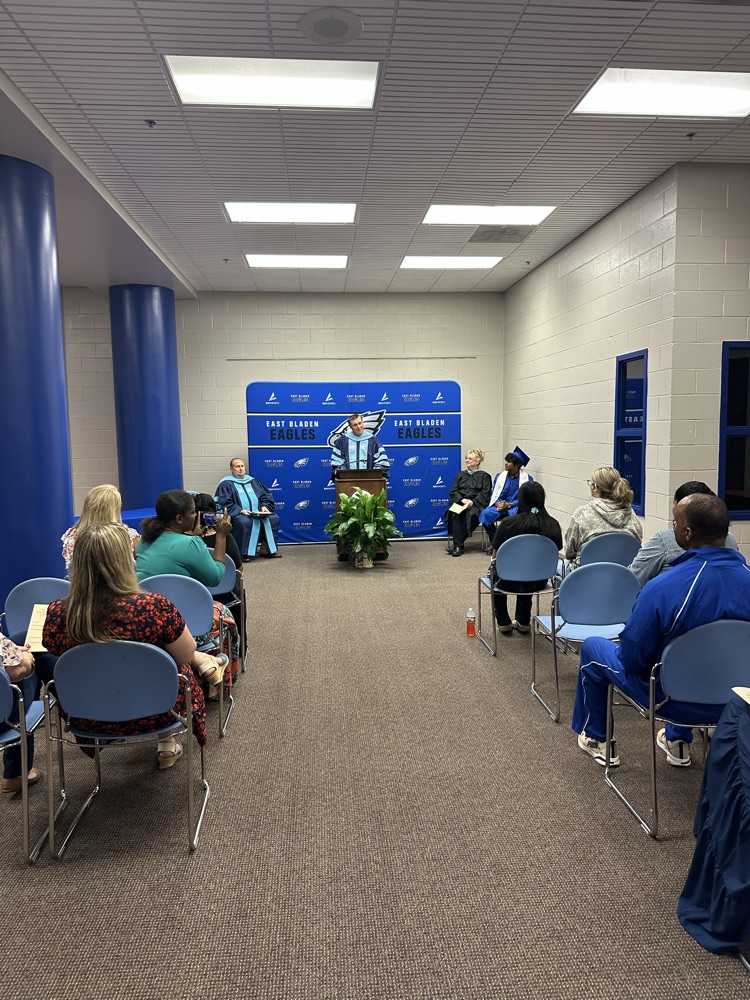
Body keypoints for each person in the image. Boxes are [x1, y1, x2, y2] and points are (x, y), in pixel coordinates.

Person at [572, 494, 750, 769]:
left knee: (595, 647)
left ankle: (597, 738)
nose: (673, 526)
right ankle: (676, 738)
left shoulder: (663, 588)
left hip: (672, 702)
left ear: (688, 534)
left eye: (675, 522)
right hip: (740, 701)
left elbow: (632, 659)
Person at [43, 523, 215, 769]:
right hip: (160, 710)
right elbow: (186, 654)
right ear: (125, 560)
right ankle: (167, 742)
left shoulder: (57, 612)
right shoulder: (154, 606)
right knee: (175, 663)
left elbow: (52, 654)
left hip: (88, 715)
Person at [629, 481, 739, 586]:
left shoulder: (664, 540)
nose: (674, 523)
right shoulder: (730, 541)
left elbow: (633, 577)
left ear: (688, 532)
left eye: (676, 517)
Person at [489, 482, 562, 635]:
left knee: (496, 571)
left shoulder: (508, 524)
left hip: (506, 581)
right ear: (542, 499)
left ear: (520, 499)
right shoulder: (553, 525)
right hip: (539, 581)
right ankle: (523, 621)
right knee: (530, 568)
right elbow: (555, 553)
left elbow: (495, 557)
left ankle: (503, 622)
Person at [135, 489, 231, 585]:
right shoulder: (190, 544)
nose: (195, 516)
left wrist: (195, 539)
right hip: (178, 599)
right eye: (193, 512)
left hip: (147, 598)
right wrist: (221, 536)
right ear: (179, 519)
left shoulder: (143, 540)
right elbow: (215, 578)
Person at [563, 466, 642, 568]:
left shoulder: (582, 513)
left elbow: (569, 552)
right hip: (622, 576)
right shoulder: (631, 515)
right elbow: (636, 545)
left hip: (586, 578)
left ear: (595, 487)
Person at [61, 483, 139, 573]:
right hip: (118, 586)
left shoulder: (71, 536)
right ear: (114, 509)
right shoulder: (127, 535)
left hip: (80, 585)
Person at [215, 458, 281, 561]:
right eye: (237, 467)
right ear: (231, 469)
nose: (241, 469)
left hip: (257, 512)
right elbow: (225, 502)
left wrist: (264, 506)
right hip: (239, 514)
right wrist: (240, 510)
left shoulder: (253, 482)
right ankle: (242, 553)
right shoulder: (226, 484)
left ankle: (267, 549)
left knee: (274, 518)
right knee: (244, 521)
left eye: (242, 466)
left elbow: (266, 497)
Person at [1, 634, 40, 793]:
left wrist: (13, 652)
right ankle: (17, 773)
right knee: (39, 655)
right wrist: (26, 659)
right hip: (3, 721)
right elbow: (18, 671)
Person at [445, 449, 492, 557]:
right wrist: (462, 500)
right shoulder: (461, 475)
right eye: (466, 458)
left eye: (470, 459)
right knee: (455, 512)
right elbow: (453, 491)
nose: (467, 460)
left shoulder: (484, 476)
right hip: (461, 501)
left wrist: (472, 501)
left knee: (472, 514)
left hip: (476, 503)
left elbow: (485, 493)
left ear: (478, 461)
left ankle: (458, 545)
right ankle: (458, 545)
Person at [479, 447, 533, 530]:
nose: (505, 463)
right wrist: (498, 503)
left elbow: (526, 498)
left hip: (516, 508)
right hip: (500, 507)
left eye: (508, 462)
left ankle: (511, 540)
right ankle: (495, 539)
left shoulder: (527, 479)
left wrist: (511, 504)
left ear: (517, 465)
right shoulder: (499, 477)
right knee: (485, 514)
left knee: (517, 521)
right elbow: (494, 493)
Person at [330, 413, 390, 479]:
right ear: (350, 427)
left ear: (363, 423)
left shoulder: (373, 440)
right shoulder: (343, 440)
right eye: (355, 425)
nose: (359, 427)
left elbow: (381, 459)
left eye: (360, 423)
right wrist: (342, 470)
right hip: (348, 480)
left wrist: (377, 468)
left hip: (369, 480)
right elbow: (337, 461)